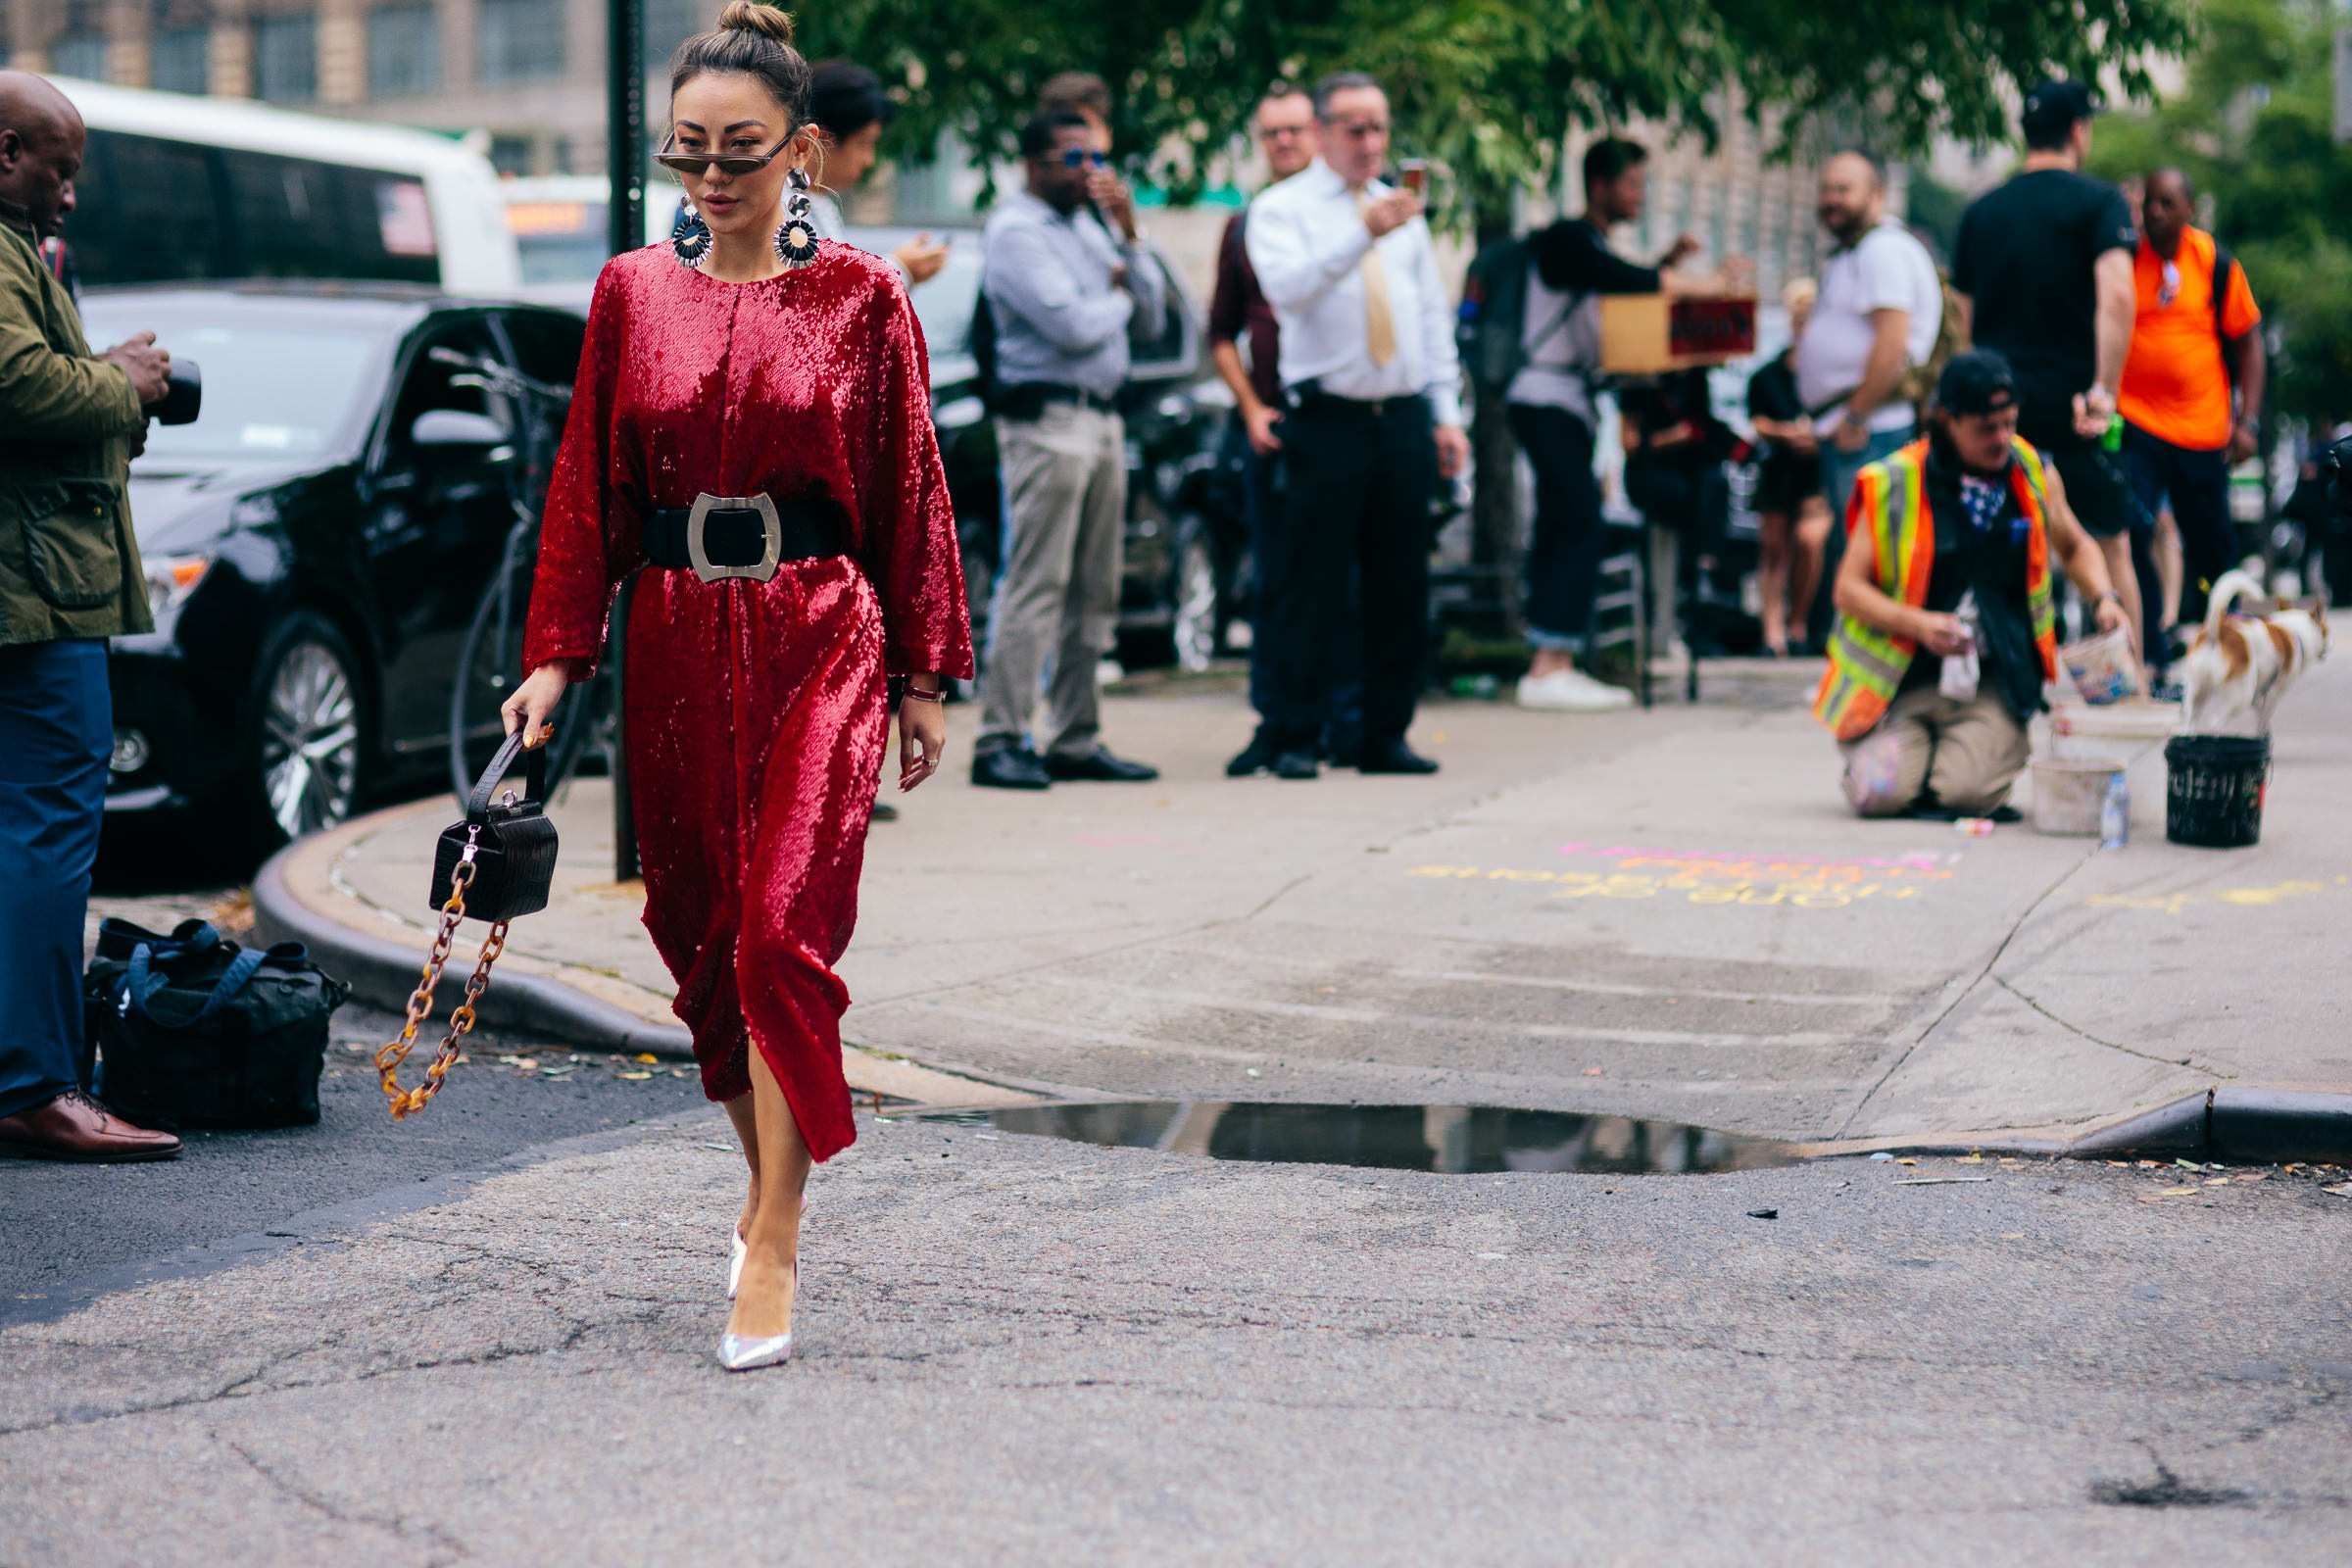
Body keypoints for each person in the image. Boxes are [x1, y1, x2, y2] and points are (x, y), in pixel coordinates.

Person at [503, 3, 972, 1371]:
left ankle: (772, 1233)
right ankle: (765, 1176)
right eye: (690, 150)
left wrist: (925, 669)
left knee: (781, 936)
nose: (712, 174)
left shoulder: (863, 296)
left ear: (802, 152)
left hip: (820, 629)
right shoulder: (627, 291)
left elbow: (911, 477)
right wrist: (553, 654)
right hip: (668, 634)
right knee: (705, 944)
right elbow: (585, 475)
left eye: (743, 150)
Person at [0, 72, 183, 1163]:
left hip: (32, 584)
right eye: (57, 171)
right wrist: (122, 381)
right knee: (46, 833)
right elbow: (19, 385)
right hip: (34, 598)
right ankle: (35, 1085)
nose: (70, 197)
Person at [1235, 71, 1468, 779]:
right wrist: (1359, 233)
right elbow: (1289, 292)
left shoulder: (1403, 212)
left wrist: (1446, 414)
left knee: (1401, 581)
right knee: (1314, 580)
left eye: (1379, 128)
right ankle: (1298, 733)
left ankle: (1383, 733)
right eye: (1355, 128)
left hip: (1399, 417)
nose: (1370, 143)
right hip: (1327, 417)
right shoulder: (1283, 209)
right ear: (1326, 131)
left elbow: (1429, 316)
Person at [1817, 351, 2131, 818]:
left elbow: (2078, 545)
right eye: (1987, 427)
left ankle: (1956, 763)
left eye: (2009, 423)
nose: (2002, 438)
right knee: (1881, 796)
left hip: (1992, 683)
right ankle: (1903, 760)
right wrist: (1918, 624)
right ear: (1947, 420)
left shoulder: (2031, 471)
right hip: (1907, 684)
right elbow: (1847, 590)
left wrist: (2104, 599)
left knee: (1964, 796)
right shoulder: (1895, 482)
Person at [1507, 135, 1742, 710]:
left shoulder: (1582, 245)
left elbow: (1621, 283)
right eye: (1633, 184)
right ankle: (1549, 665)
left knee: (1563, 523)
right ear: (1599, 186)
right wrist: (1704, 286)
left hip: (1565, 401)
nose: (1640, 195)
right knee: (1581, 522)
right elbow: (1625, 281)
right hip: (1546, 397)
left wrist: (1665, 266)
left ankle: (1550, 657)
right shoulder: (1565, 240)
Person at [968, 109, 1164, 789]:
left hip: (1104, 420)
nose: (1092, 173)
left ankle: (1076, 737)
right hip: (1047, 422)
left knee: (1096, 588)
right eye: (1075, 159)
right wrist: (1112, 295)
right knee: (1037, 582)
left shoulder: (1092, 224)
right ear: (1034, 163)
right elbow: (1074, 326)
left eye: (1098, 159)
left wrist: (1131, 242)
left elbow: (1155, 313)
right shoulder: (1015, 229)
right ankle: (1001, 738)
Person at [1952, 80, 2142, 662]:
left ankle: (2006, 670)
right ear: (2079, 132)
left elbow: (1962, 320)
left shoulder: (1981, 211)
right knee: (2108, 543)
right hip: (2075, 405)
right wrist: (2104, 390)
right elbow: (2116, 297)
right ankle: (2127, 680)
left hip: (1996, 409)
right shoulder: (2099, 203)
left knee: (1995, 536)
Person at [1209, 83, 1320, 764]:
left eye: (1295, 130)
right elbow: (1220, 333)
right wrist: (1251, 407)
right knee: (1274, 579)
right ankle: (1275, 722)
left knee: (1336, 580)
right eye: (1272, 132)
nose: (1284, 143)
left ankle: (1338, 719)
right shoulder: (1246, 224)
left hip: (1341, 420)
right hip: (1273, 424)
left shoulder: (1352, 216)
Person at [2119, 166, 2263, 660]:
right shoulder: (2124, 259)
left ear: (2189, 210)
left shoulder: (2214, 261)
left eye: (2166, 203)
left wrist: (2248, 423)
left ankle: (2228, 642)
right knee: (2133, 531)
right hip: (2137, 425)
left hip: (2202, 430)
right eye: (2149, 203)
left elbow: (2250, 346)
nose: (2154, 213)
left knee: (2213, 546)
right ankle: (2156, 642)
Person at [1799, 150, 1945, 522]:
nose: (1832, 199)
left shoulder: (1882, 249)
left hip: (1871, 433)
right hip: (1857, 430)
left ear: (1876, 194)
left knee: (1869, 558)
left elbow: (1894, 342)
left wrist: (1856, 417)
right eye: (1826, 189)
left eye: (1844, 189)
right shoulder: (1856, 252)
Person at [802, 60, 949, 287]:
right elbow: (824, 299)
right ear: (822, 139)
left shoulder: (823, 206)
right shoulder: (778, 206)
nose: (869, 160)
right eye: (864, 143)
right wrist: (899, 269)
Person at [1746, 278, 1833, 657]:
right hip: (1780, 468)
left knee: (1810, 542)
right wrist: (1784, 433)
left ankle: (1798, 622)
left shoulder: (1830, 374)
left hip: (1815, 471)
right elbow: (1757, 420)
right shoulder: (1768, 374)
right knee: (1773, 548)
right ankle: (1772, 631)